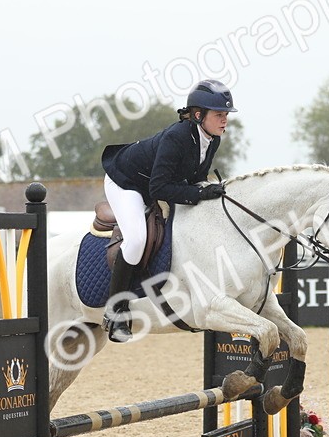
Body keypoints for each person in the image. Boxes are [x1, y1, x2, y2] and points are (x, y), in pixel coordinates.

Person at [98, 79, 236, 342]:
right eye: (219, 114)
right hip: (126, 182)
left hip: (151, 183)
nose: (224, 120)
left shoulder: (212, 139)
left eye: (226, 115)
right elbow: (160, 187)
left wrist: (208, 190)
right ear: (198, 115)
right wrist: (199, 193)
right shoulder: (177, 137)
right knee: (137, 239)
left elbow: (192, 178)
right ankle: (115, 312)